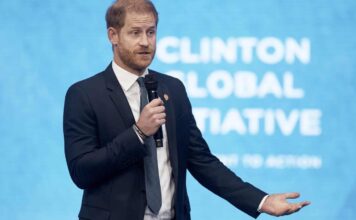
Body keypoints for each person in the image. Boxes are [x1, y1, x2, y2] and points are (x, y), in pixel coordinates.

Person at [63, 0, 310, 219]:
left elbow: (201, 161)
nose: (145, 42)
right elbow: (81, 172)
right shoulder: (84, 95)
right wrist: (138, 133)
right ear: (112, 36)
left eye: (151, 32)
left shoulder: (173, 89)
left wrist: (262, 201)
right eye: (135, 33)